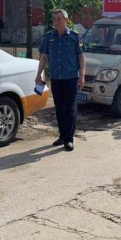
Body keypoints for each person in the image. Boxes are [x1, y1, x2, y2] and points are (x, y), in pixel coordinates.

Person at [36, 9, 86, 152]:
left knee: (70, 109)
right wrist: (39, 74)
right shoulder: (49, 37)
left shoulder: (75, 37)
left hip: (71, 78)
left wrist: (82, 76)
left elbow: (81, 57)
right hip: (56, 79)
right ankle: (62, 136)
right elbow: (44, 56)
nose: (56, 22)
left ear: (66, 20)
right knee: (59, 109)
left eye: (59, 19)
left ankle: (69, 139)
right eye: (54, 19)